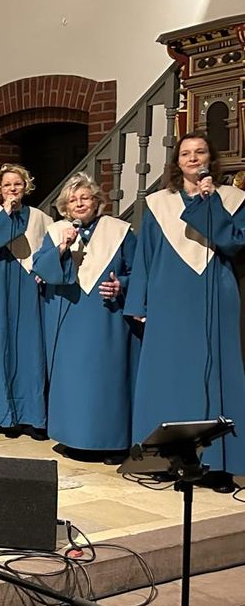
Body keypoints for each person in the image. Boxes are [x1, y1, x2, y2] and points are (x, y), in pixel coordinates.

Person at [126, 132, 245, 490]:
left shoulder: (232, 198)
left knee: (218, 375)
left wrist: (210, 203)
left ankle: (219, 465)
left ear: (212, 158)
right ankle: (169, 460)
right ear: (176, 162)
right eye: (186, 154)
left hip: (216, 294)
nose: (193, 158)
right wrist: (138, 301)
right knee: (169, 375)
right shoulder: (160, 203)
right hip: (169, 296)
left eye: (200, 152)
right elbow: (145, 256)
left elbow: (234, 242)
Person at [32, 173, 137, 461]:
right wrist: (63, 247)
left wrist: (121, 286)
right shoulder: (57, 231)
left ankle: (111, 442)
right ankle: (71, 436)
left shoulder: (119, 231)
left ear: (97, 201)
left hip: (105, 316)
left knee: (106, 376)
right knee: (70, 378)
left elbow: (139, 271)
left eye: (85, 197)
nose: (79, 203)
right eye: (73, 199)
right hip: (68, 314)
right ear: (65, 206)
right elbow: (40, 269)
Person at [0, 164, 53, 440]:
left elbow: (48, 253)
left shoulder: (41, 218)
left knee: (29, 349)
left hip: (28, 287)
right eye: (7, 185)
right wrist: (6, 214)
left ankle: (31, 417)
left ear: (26, 186)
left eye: (17, 184)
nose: (12, 189)